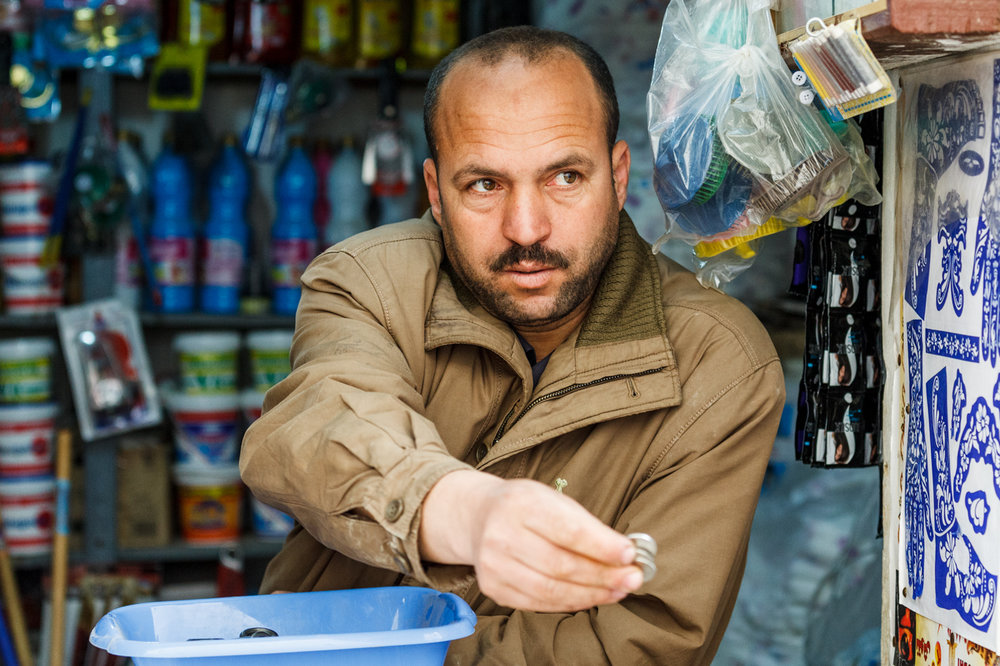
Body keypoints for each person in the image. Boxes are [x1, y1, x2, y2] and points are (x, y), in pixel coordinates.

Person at [240, 25, 785, 664]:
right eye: (484, 185)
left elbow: (640, 647)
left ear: (616, 174)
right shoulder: (369, 279)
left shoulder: (718, 364)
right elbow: (318, 423)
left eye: (564, 177)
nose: (526, 229)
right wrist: (464, 511)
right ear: (436, 193)